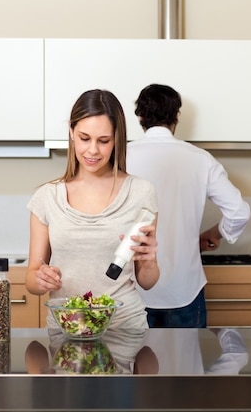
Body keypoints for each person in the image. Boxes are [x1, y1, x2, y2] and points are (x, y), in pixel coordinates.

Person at [26, 89, 160, 331]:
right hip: (67, 328)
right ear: (71, 132)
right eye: (84, 138)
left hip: (124, 327)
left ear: (117, 138)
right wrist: (41, 279)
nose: (92, 151)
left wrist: (149, 261)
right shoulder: (47, 196)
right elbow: (31, 279)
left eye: (104, 140)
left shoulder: (141, 192)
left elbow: (146, 282)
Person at [127, 84, 250, 328]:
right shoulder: (200, 158)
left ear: (139, 116)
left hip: (131, 291)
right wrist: (214, 234)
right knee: (187, 365)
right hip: (184, 291)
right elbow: (239, 212)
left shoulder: (119, 156)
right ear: (177, 116)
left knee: (131, 365)